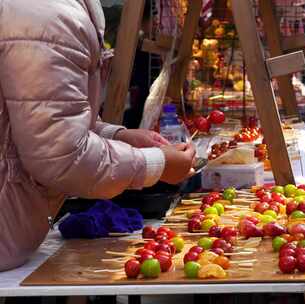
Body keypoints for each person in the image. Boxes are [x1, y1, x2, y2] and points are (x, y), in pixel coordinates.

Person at [0, 0, 196, 271]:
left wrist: (118, 136)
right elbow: (62, 156)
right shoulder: (49, 17)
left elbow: (38, 119)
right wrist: (155, 164)